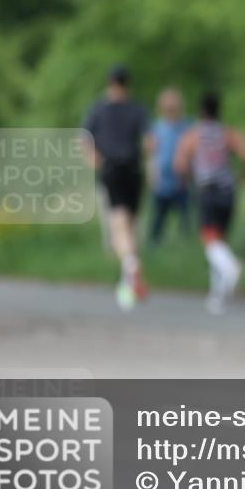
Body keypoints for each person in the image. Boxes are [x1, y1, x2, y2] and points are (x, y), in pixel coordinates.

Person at [174, 91, 245, 314]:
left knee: (211, 242)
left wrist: (190, 178)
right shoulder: (227, 133)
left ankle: (233, 267)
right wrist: (242, 175)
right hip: (228, 191)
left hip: (207, 191)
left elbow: (180, 164)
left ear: (201, 111)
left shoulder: (193, 135)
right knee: (219, 242)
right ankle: (217, 297)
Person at [83, 65, 150, 311]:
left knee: (118, 227)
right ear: (127, 83)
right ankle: (128, 286)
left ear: (110, 82)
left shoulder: (99, 109)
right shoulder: (137, 109)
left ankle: (131, 266)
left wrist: (94, 159)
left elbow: (83, 138)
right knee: (130, 227)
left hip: (111, 169)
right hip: (133, 170)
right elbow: (149, 141)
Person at [147, 87, 192, 246]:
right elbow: (152, 154)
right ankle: (154, 245)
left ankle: (190, 247)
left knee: (188, 219)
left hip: (183, 181)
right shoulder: (157, 127)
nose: (170, 109)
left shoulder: (188, 126)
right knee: (158, 219)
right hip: (163, 181)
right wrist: (153, 176)